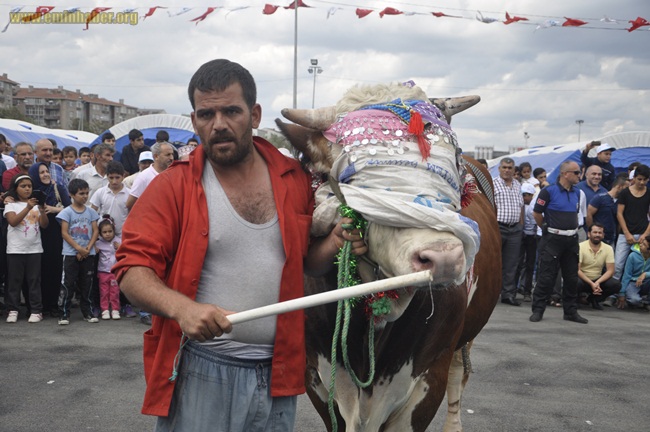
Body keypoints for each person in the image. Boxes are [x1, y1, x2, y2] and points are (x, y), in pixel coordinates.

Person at [113, 59, 365, 431]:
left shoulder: (292, 178)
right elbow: (131, 271)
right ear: (194, 119)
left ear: (255, 114)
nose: (218, 124)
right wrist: (182, 308)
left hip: (276, 370)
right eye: (206, 114)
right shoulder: (173, 186)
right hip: (201, 369)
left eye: (231, 111)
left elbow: (305, 264)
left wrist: (334, 241)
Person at [530, 160, 588, 324]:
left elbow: (578, 214)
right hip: (553, 239)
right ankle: (538, 310)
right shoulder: (548, 192)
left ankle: (570, 312)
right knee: (546, 276)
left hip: (571, 239)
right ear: (565, 174)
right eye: (576, 172)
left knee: (571, 278)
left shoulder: (577, 193)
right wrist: (548, 230)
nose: (579, 176)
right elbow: (536, 214)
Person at [3, 174, 49, 323]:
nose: (27, 189)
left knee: (34, 280)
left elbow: (44, 225)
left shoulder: (36, 205)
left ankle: (36, 310)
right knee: (14, 281)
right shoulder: (11, 204)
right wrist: (27, 207)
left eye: (29, 186)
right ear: (15, 189)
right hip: (15, 249)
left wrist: (41, 210)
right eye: (23, 186)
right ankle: (13, 309)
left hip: (35, 249)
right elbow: (13, 222)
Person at [29, 162, 71, 317]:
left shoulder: (57, 188)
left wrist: (54, 209)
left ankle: (54, 304)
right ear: (34, 175)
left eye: (47, 171)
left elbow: (71, 207)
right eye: (41, 172)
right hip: (34, 233)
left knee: (54, 267)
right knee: (38, 269)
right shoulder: (30, 191)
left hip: (55, 233)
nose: (46, 174)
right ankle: (39, 305)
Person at [56, 178, 100, 325]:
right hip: (70, 254)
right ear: (72, 194)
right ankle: (64, 313)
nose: (85, 196)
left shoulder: (92, 212)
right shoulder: (66, 212)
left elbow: (95, 231)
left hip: (88, 253)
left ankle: (87, 311)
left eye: (87, 193)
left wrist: (87, 248)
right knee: (68, 284)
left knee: (87, 284)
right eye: (81, 193)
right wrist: (79, 248)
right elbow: (64, 233)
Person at [493, 158, 524, 306]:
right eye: (504, 167)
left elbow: (521, 207)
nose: (507, 170)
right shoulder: (492, 184)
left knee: (511, 264)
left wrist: (521, 225)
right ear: (499, 169)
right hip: (498, 227)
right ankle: (491, 293)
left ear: (514, 170)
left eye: (510, 168)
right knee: (494, 262)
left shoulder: (518, 185)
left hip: (515, 229)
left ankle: (508, 294)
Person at [614, 164, 650, 281]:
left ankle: (636, 290)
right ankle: (613, 293)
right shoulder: (625, 193)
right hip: (625, 234)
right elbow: (619, 213)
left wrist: (645, 235)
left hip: (643, 233)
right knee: (618, 265)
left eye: (645, 180)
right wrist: (627, 233)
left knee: (642, 264)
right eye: (639, 179)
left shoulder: (649, 192)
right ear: (634, 178)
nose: (642, 182)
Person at [577, 223, 621, 310]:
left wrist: (597, 283)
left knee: (616, 285)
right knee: (574, 282)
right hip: (582, 279)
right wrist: (591, 283)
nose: (597, 235)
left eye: (600, 233)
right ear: (589, 234)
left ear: (603, 235)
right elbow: (577, 270)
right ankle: (575, 300)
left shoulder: (608, 248)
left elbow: (610, 271)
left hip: (597, 279)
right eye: (595, 232)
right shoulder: (580, 246)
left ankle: (593, 300)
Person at [125, 142, 175, 211]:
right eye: (168, 155)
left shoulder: (174, 174)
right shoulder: (144, 177)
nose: (171, 158)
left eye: (172, 154)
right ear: (156, 156)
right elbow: (130, 204)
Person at [586, 173, 629, 245]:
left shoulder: (621, 202)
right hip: (597, 237)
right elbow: (589, 214)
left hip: (612, 238)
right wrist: (592, 231)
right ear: (619, 187)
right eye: (626, 189)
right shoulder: (600, 198)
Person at [95, 215, 121, 320]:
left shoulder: (119, 241)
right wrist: (94, 248)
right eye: (104, 232)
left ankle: (115, 310)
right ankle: (104, 310)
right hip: (103, 272)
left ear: (114, 230)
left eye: (110, 231)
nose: (107, 234)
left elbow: (126, 251)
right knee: (104, 292)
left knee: (115, 291)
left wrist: (120, 248)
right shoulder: (98, 243)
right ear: (100, 233)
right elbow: (93, 248)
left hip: (115, 272)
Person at [517, 183, 537, 302]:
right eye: (523, 195)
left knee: (530, 264)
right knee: (517, 263)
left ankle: (527, 290)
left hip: (532, 237)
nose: (525, 197)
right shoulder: (519, 205)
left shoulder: (534, 207)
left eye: (527, 195)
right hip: (520, 236)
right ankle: (513, 288)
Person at [617, 237, 650, 309]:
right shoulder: (633, 256)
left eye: (644, 245)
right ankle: (642, 300)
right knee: (634, 300)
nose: (640, 245)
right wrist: (622, 293)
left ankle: (647, 301)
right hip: (634, 282)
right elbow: (626, 275)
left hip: (647, 281)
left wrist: (645, 274)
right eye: (641, 243)